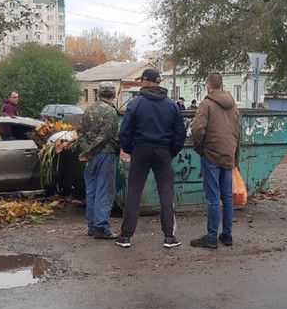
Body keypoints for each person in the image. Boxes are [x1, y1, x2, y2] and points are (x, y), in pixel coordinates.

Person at [117, 68, 186, 248]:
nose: (141, 83)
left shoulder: (136, 103)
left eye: (142, 81)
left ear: (147, 82)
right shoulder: (172, 105)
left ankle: (125, 236)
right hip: (163, 150)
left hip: (140, 149)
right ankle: (169, 236)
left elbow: (124, 131)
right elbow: (180, 133)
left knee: (134, 191)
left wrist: (129, 149)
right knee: (165, 191)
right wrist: (171, 151)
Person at [190, 72, 241, 249]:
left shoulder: (207, 104)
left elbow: (197, 129)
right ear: (222, 86)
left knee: (213, 197)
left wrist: (200, 147)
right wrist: (235, 157)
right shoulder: (233, 106)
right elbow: (238, 132)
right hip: (228, 154)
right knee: (227, 197)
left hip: (211, 154)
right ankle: (227, 235)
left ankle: (211, 237)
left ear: (208, 86)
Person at [78, 81, 120, 239]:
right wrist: (91, 150)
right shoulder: (110, 111)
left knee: (92, 190)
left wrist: (86, 150)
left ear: (99, 93)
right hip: (105, 154)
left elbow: (80, 132)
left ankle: (91, 225)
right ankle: (101, 227)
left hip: (91, 157)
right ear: (113, 94)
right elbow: (106, 136)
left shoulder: (88, 109)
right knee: (105, 190)